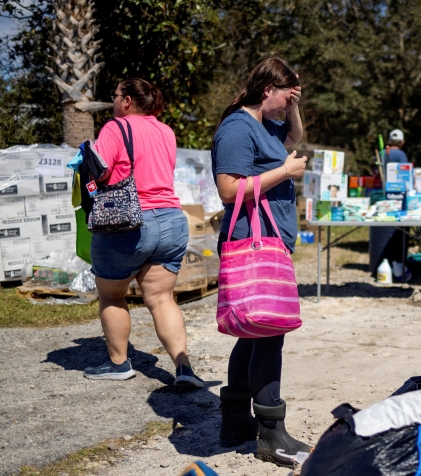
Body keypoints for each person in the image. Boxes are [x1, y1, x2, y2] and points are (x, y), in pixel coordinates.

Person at [211, 57, 311, 467]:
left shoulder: (265, 124)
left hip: (270, 241)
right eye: (286, 97)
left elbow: (294, 135)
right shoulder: (237, 127)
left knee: (254, 333)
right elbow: (228, 190)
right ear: (266, 89)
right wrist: (284, 173)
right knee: (271, 332)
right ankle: (272, 432)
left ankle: (235, 421)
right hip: (252, 242)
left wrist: (296, 105)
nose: (289, 107)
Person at [83, 79, 203, 389]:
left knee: (112, 294)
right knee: (162, 298)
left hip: (130, 220)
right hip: (172, 220)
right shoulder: (165, 131)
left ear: (126, 101)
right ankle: (184, 368)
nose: (113, 100)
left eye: (115, 95)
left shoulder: (115, 127)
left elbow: (100, 172)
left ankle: (119, 364)